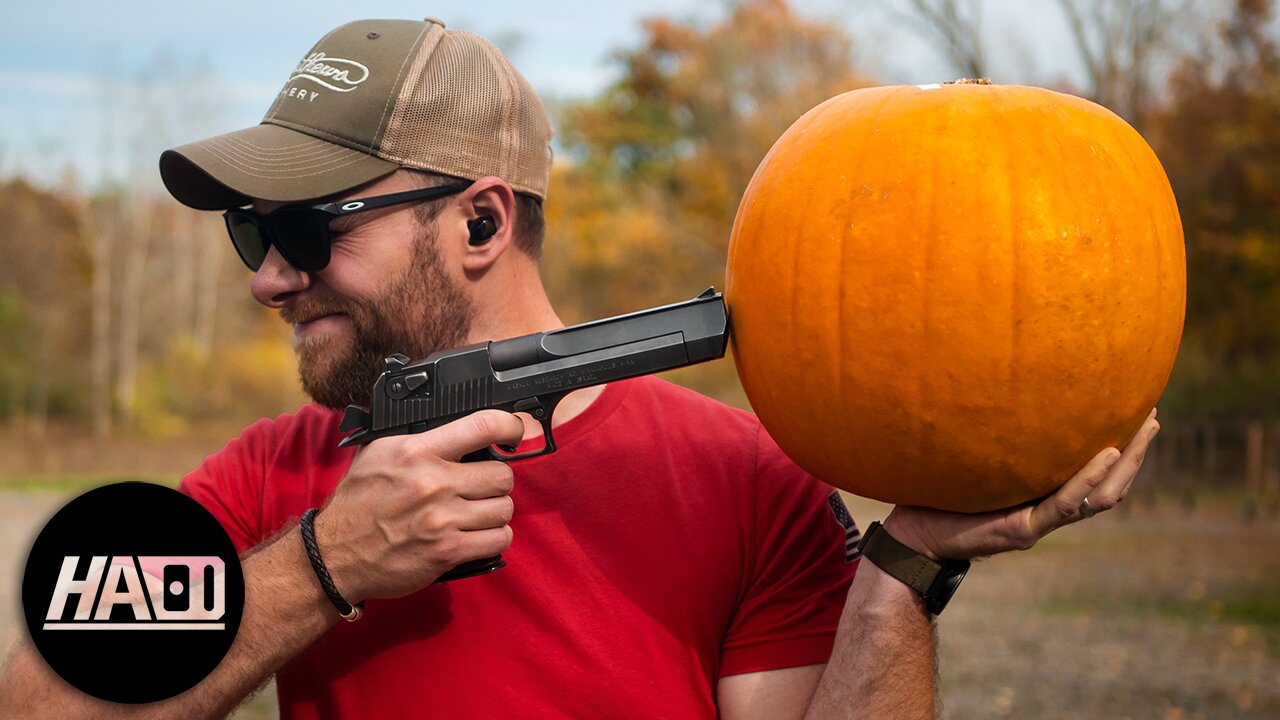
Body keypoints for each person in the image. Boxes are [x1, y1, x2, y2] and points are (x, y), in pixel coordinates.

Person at [0, 17, 1158, 719]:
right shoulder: (274, 479)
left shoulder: (744, 479)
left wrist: (900, 570)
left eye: (304, 234)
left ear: (480, 224)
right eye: (251, 236)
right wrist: (324, 565)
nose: (266, 279)